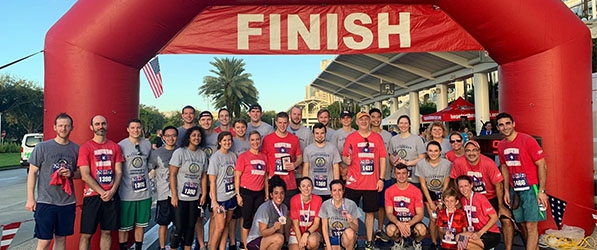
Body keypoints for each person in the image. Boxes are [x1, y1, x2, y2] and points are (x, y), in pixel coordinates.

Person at [25, 113, 80, 250]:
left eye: (67, 126)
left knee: (61, 239)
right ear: (54, 127)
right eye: (60, 126)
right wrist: (30, 199)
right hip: (46, 202)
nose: (63, 128)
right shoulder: (42, 147)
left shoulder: (76, 149)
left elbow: (81, 173)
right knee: (44, 241)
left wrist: (71, 174)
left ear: (72, 128)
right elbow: (32, 172)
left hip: (67, 202)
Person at [496, 112, 547, 250]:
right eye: (501, 125)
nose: (505, 127)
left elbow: (542, 164)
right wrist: (506, 189)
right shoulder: (501, 145)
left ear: (513, 124)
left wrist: (541, 191)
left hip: (531, 188)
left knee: (531, 225)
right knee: (522, 224)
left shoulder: (528, 140)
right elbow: (504, 167)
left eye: (507, 123)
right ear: (498, 128)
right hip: (515, 189)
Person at [450, 140, 514, 250]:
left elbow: (498, 185)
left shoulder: (488, 163)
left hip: (489, 197)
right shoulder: (459, 162)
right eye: (468, 151)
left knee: (505, 219)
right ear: (464, 152)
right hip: (469, 196)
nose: (471, 153)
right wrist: (455, 201)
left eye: (474, 150)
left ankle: (507, 248)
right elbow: (456, 182)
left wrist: (501, 206)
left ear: (479, 151)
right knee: (456, 216)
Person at [342, 111, 387, 250]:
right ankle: (353, 239)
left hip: (371, 182)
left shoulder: (377, 138)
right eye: (361, 119)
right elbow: (345, 156)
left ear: (369, 121)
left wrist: (381, 179)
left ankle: (369, 240)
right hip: (354, 182)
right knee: (351, 213)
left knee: (370, 213)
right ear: (357, 122)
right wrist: (346, 160)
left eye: (366, 119)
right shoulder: (351, 137)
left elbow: (382, 158)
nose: (364, 121)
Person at [78, 115, 124, 250]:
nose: (100, 126)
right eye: (97, 124)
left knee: (107, 232)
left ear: (107, 126)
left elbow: (119, 172)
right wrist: (102, 192)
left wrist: (112, 192)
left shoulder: (115, 147)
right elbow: (85, 175)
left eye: (103, 123)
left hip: (111, 195)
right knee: (86, 234)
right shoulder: (86, 147)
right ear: (91, 127)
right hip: (92, 196)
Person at [169, 126, 208, 250]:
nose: (196, 138)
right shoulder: (180, 152)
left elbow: (203, 176)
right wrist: (174, 195)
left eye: (199, 135)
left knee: (191, 226)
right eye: (193, 135)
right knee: (179, 227)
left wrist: (204, 194)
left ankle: (188, 247)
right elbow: (172, 174)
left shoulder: (202, 154)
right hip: (180, 197)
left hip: (195, 197)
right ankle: (174, 247)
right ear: (188, 137)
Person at [117, 119, 153, 250]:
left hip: (144, 193)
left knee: (141, 225)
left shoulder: (147, 144)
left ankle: (138, 247)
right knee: (124, 226)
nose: (136, 130)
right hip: (126, 193)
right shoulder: (121, 145)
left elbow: (149, 164)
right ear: (128, 129)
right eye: (132, 128)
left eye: (138, 127)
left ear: (141, 128)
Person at [235, 130, 269, 250]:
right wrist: (238, 194)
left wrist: (266, 193)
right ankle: (245, 245)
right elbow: (237, 176)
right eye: (253, 140)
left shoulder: (264, 157)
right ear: (249, 141)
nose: (255, 142)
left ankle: (255, 243)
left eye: (257, 139)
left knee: (258, 220)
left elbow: (265, 177)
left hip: (259, 192)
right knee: (247, 219)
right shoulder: (243, 156)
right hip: (246, 192)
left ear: (260, 141)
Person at [414, 141, 452, 250]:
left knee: (443, 218)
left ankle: (444, 242)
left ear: (440, 152)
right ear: (427, 152)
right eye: (430, 151)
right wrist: (430, 202)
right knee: (433, 218)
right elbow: (423, 185)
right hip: (429, 192)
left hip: (443, 192)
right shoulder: (421, 164)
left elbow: (446, 184)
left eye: (436, 151)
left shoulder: (447, 164)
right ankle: (434, 242)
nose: (433, 153)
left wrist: (441, 201)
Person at [261, 111, 303, 207]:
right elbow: (263, 159)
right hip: (274, 181)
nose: (282, 125)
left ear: (288, 123)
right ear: (276, 123)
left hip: (290, 183)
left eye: (285, 123)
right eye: (280, 123)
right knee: (273, 213)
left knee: (288, 213)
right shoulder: (268, 139)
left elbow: (299, 157)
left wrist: (295, 164)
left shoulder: (294, 139)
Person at [206, 131, 238, 250]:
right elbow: (212, 181)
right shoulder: (215, 157)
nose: (227, 142)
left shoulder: (233, 156)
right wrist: (214, 201)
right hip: (220, 198)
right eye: (224, 140)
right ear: (219, 142)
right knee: (219, 227)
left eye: (229, 140)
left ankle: (222, 247)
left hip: (231, 195)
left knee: (226, 225)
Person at [384, 163, 427, 250]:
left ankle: (417, 242)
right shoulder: (389, 191)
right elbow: (389, 213)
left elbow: (420, 214)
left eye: (404, 173)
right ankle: (398, 242)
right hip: (397, 222)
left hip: (412, 222)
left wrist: (408, 224)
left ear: (408, 174)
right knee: (390, 230)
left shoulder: (416, 191)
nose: (401, 176)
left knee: (422, 230)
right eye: (398, 173)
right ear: (395, 175)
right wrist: (399, 224)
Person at [148, 125, 178, 250]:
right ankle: (161, 246)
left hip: (179, 194)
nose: (171, 138)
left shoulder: (181, 151)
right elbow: (148, 170)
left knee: (179, 224)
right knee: (163, 224)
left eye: (174, 135)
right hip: (163, 194)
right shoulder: (156, 153)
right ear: (163, 137)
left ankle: (175, 246)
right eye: (168, 136)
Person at [369, 108, 394, 242]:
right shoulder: (365, 134)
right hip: (369, 177)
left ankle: (379, 230)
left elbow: (390, 155)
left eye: (378, 117)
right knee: (370, 206)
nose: (376, 119)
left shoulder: (388, 136)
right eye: (373, 117)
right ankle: (370, 231)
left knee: (382, 205)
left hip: (385, 176)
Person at [456, 175, 501, 250]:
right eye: (461, 187)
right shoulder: (463, 200)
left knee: (465, 244)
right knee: (458, 238)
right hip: (474, 231)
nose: (464, 189)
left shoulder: (480, 198)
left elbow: (494, 217)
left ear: (471, 185)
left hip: (490, 233)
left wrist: (480, 233)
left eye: (466, 186)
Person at [246, 175, 288, 250]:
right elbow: (263, 232)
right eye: (276, 193)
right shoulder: (265, 208)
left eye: (282, 193)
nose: (279, 196)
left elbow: (281, 231)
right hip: (255, 240)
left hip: (271, 238)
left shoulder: (284, 208)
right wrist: (274, 228)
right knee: (279, 238)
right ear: (271, 195)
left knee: (280, 240)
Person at [302, 123, 341, 201]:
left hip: (328, 190)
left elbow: (336, 168)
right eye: (317, 133)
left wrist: (335, 187)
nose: (319, 135)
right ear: (313, 134)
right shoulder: (308, 149)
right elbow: (306, 168)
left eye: (322, 133)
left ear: (325, 133)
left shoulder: (333, 148)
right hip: (313, 190)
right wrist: (305, 187)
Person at [319, 179, 361, 250]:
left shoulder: (351, 204)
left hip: (346, 237)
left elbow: (356, 228)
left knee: (350, 233)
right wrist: (328, 246)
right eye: (334, 190)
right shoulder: (325, 205)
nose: (337, 193)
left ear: (343, 191)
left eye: (340, 190)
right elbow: (324, 227)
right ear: (331, 192)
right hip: (332, 236)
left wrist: (350, 222)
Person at [388, 115, 425, 187]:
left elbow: (422, 158)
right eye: (401, 123)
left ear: (409, 124)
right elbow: (391, 155)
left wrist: (407, 163)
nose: (403, 125)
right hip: (397, 177)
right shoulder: (393, 139)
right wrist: (394, 162)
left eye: (406, 123)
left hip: (413, 178)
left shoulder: (417, 139)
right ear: (398, 125)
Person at [289, 177, 323, 250]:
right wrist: (300, 243)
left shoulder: (318, 199)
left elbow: (316, 224)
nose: (306, 188)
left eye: (309, 186)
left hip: (312, 231)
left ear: (312, 187)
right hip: (297, 231)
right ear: (299, 188)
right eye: (303, 186)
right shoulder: (294, 200)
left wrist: (306, 234)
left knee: (313, 241)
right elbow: (295, 225)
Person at [288, 105, 314, 180]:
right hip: (287, 173)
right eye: (294, 114)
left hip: (301, 173)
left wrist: (303, 167)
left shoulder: (307, 132)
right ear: (290, 115)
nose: (297, 117)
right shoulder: (284, 130)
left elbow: (311, 153)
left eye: (299, 114)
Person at [331, 110, 354, 181]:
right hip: (339, 168)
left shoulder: (356, 133)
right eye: (343, 118)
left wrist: (348, 169)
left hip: (353, 168)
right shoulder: (336, 134)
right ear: (341, 120)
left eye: (348, 117)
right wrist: (340, 168)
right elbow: (333, 152)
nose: (346, 120)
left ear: (352, 119)